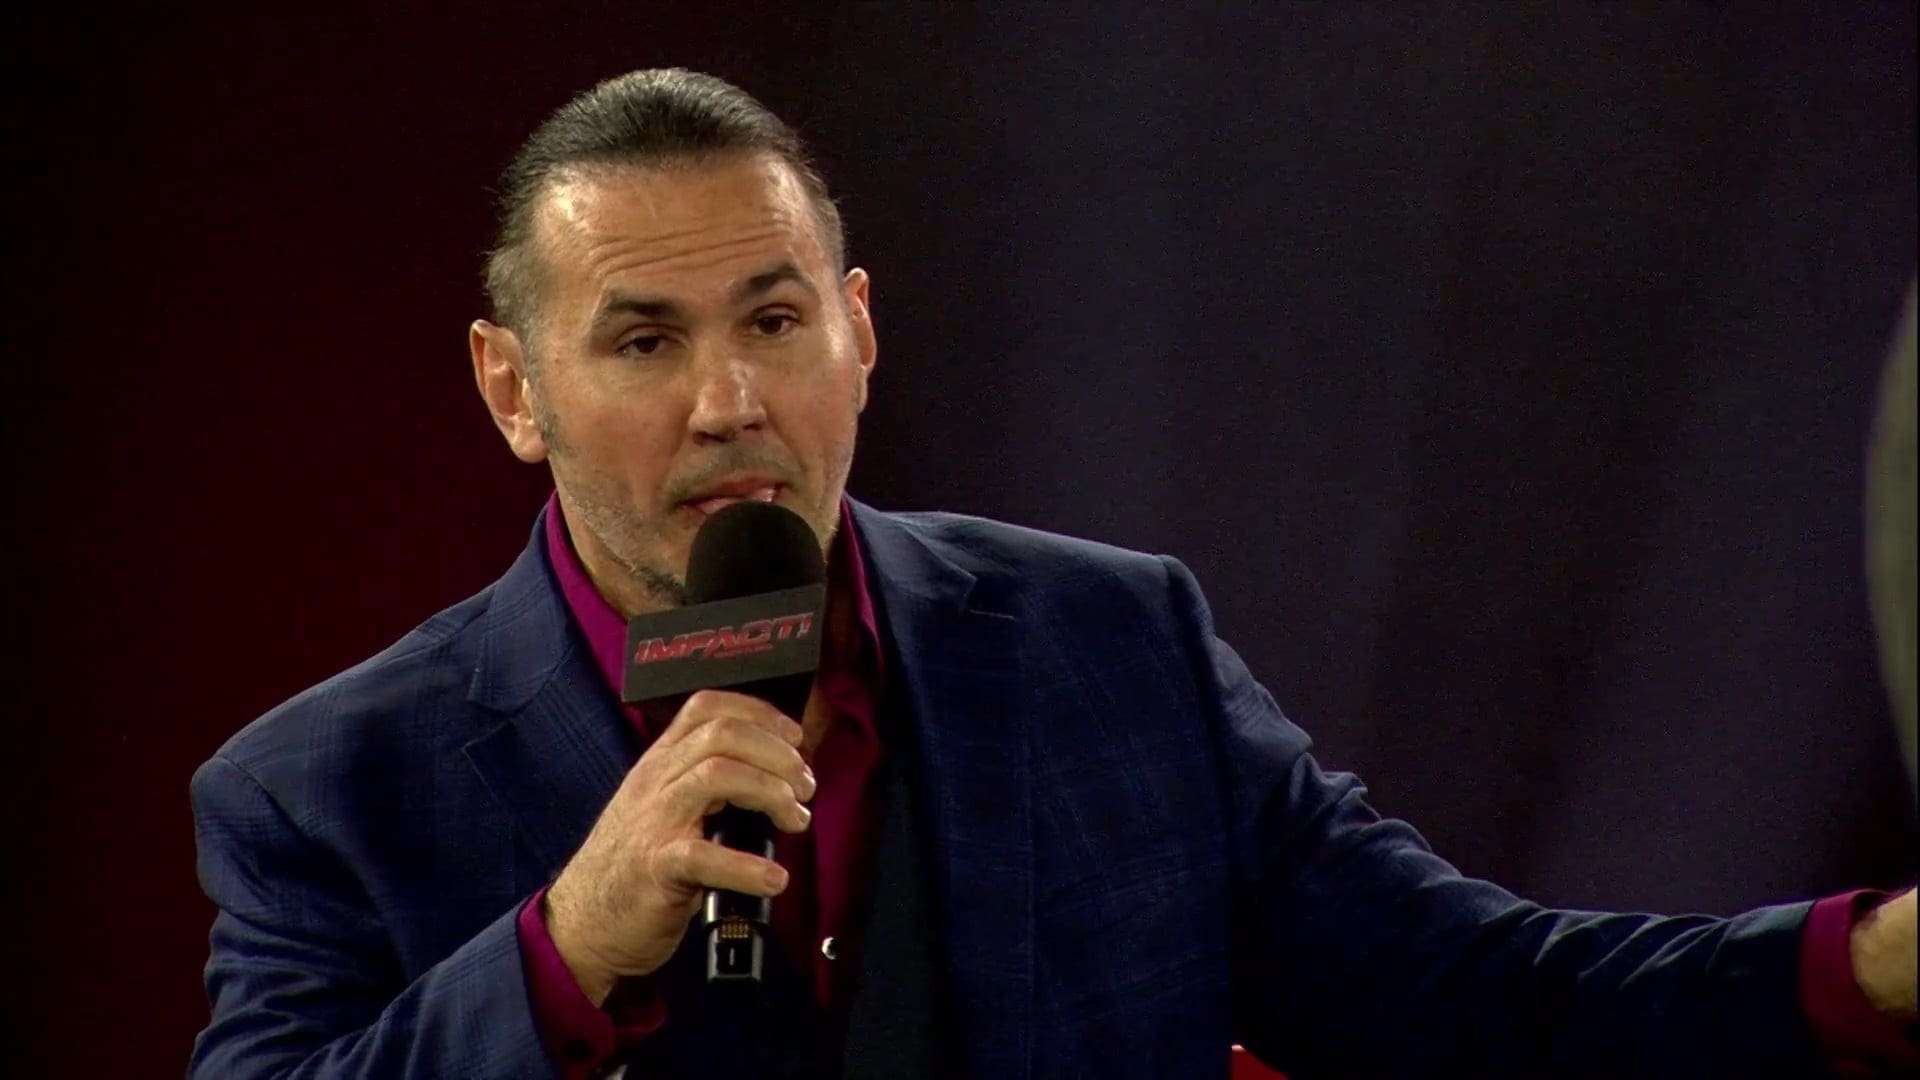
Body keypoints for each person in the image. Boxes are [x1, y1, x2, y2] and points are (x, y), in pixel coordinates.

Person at [189, 69, 1919, 1079]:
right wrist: (565, 954)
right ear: (514, 389)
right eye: (643, 340)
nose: (730, 402)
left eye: (775, 321)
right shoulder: (325, 792)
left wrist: (1883, 961)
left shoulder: (1109, 645)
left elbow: (1475, 999)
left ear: (859, 332)